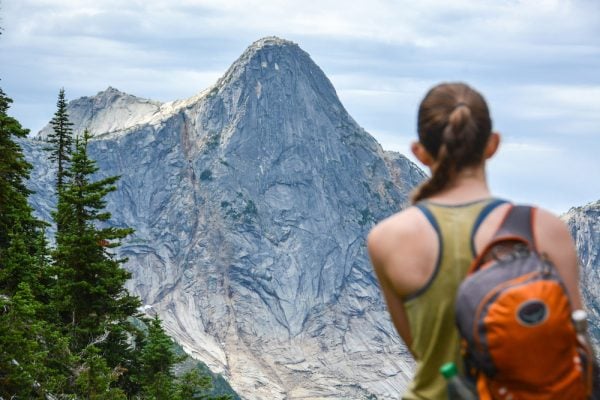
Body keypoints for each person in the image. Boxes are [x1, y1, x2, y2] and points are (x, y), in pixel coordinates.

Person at [367, 82, 583, 400]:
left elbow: (420, 350)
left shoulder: (388, 240)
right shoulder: (544, 230)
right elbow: (574, 343)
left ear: (419, 152)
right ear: (492, 145)